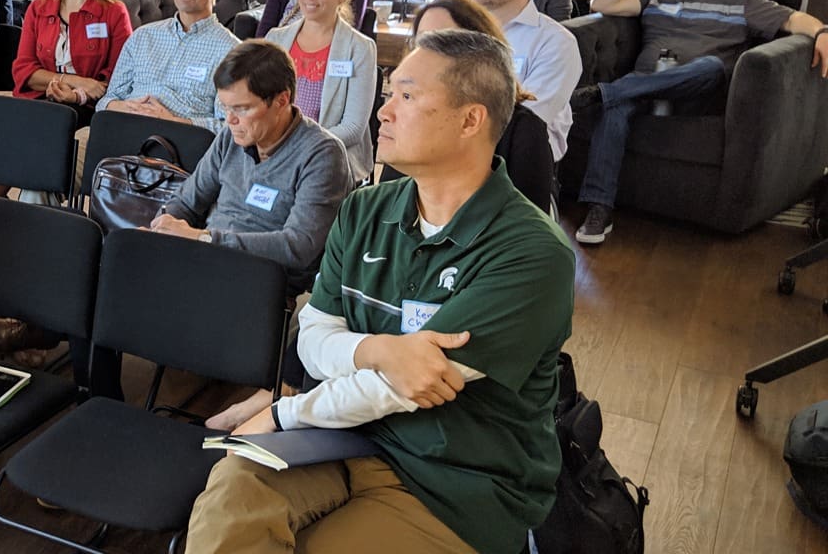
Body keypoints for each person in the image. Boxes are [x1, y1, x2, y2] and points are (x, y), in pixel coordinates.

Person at [186, 29, 575, 554]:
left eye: (407, 96)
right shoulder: (367, 208)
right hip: (346, 440)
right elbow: (315, 337)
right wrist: (377, 349)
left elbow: (400, 388)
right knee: (233, 492)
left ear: (470, 119)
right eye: (389, 93)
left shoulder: (532, 254)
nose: (383, 111)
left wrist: (280, 414)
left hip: (453, 483)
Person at [74, 40, 349, 402]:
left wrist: (203, 239)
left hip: (258, 281)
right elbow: (187, 201)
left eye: (242, 108)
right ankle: (100, 400)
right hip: (201, 260)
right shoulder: (231, 138)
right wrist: (163, 227)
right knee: (92, 273)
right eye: (225, 108)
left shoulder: (321, 154)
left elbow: (297, 248)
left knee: (114, 284)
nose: (229, 119)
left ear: (281, 100)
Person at [575, 0, 828, 244]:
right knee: (616, 107)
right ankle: (599, 209)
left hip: (700, 89)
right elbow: (600, 3)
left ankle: (602, 92)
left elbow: (791, 18)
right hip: (643, 86)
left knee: (709, 65)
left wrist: (821, 31)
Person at [379, 0, 555, 214]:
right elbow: (386, 207)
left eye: (443, 40)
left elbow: (530, 222)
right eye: (421, 41)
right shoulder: (408, 120)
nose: (426, 51)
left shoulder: (524, 129)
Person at [98, 0, 241, 131]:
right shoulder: (142, 37)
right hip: (124, 131)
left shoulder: (231, 52)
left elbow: (229, 127)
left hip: (178, 145)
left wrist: (174, 122)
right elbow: (106, 101)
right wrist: (126, 108)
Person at [264, 0, 378, 182]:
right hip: (272, 154)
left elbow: (353, 128)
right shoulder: (275, 38)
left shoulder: (359, 48)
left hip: (329, 158)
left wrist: (295, 146)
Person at [466, 0, 581, 162]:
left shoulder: (555, 42)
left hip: (519, 168)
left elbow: (525, 121)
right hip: (451, 154)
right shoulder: (460, 32)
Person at [12, 0, 131, 128]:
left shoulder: (113, 12)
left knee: (54, 126)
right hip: (39, 99)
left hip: (87, 107)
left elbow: (120, 76)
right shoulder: (38, 7)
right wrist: (75, 81)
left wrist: (78, 94)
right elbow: (24, 71)